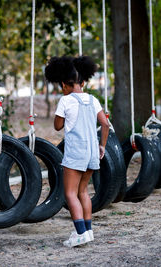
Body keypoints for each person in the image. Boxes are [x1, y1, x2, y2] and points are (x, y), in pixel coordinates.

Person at [45, 55, 110, 247]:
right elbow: (105, 124)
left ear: (65, 84)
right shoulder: (93, 99)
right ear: (82, 82)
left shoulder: (66, 101)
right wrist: (102, 146)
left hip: (75, 153)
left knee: (70, 194)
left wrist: (64, 117)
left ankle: (80, 233)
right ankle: (88, 232)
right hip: (91, 152)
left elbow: (57, 126)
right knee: (83, 192)